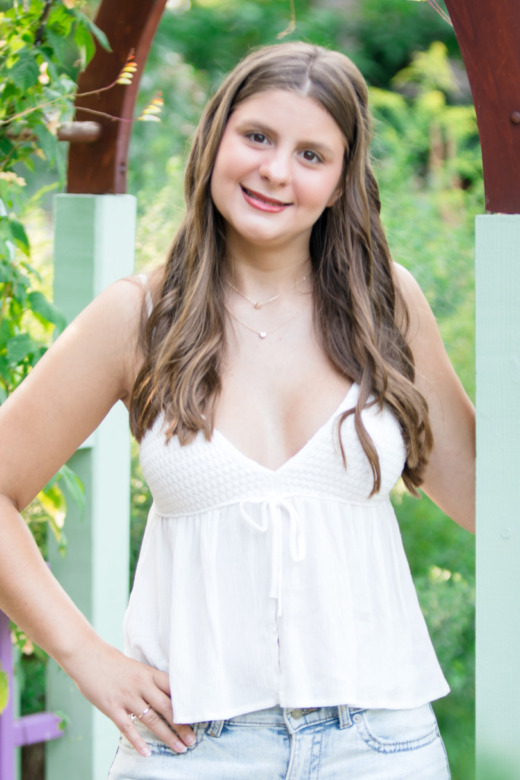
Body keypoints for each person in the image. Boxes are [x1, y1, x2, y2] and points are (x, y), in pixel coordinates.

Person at [0, 42, 474, 779]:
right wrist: (84, 657)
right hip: (190, 747)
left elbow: (486, 494)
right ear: (215, 136)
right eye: (257, 137)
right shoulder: (140, 316)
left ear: (343, 178)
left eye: (312, 154)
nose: (276, 171)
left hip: (379, 743)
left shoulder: (388, 305)